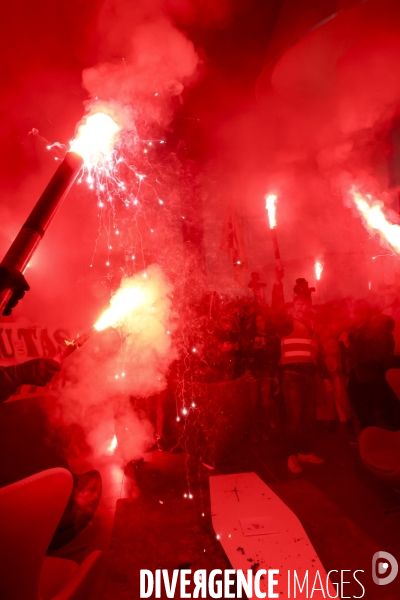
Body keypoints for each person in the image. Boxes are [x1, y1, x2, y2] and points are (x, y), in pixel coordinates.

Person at [280, 279, 327, 474]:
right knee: (294, 418)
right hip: (292, 377)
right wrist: (278, 283)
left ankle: (304, 452)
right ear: (293, 304)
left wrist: (324, 377)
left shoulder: (314, 325)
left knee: (308, 418)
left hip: (309, 377)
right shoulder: (286, 323)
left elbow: (318, 352)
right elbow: (274, 311)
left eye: (304, 304)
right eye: (298, 304)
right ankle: (291, 455)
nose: (301, 307)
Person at [246, 311, 281, 443]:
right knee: (253, 403)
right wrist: (255, 348)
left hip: (266, 372)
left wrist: (266, 347)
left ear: (265, 321)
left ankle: (263, 430)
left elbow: (275, 355)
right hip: (254, 372)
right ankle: (253, 432)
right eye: (257, 321)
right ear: (255, 323)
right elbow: (246, 353)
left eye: (262, 320)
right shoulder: (251, 335)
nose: (260, 323)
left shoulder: (271, 336)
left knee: (265, 403)